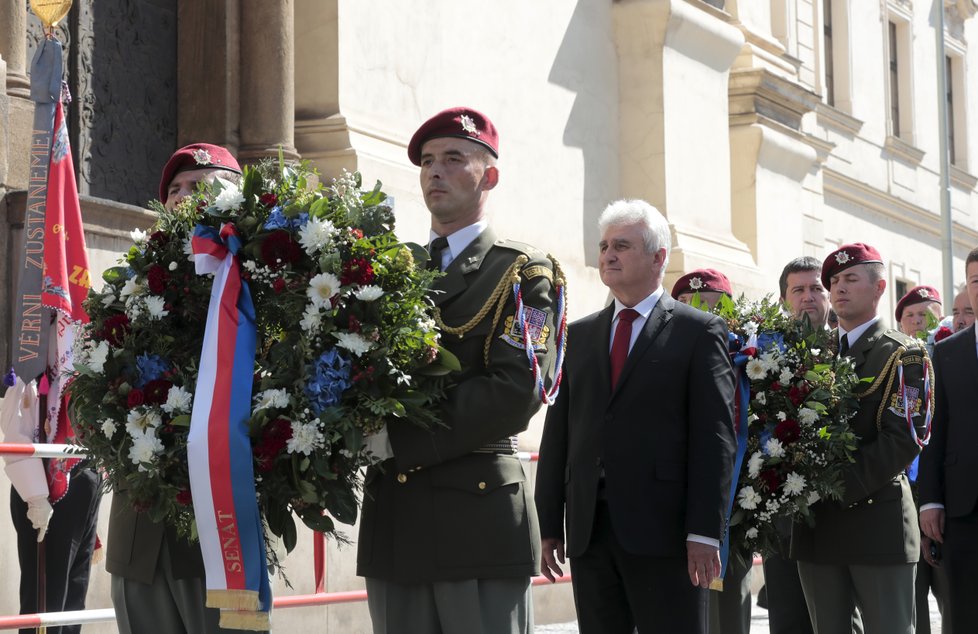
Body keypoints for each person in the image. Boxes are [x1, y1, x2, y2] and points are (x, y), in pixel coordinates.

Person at [356, 107, 559, 634]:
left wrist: (395, 437)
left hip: (477, 523)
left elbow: (519, 388)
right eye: (426, 161)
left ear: (488, 176)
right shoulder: (394, 269)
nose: (434, 172)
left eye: (452, 158)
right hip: (394, 520)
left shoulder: (526, 273)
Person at [535, 199, 736, 633]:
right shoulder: (580, 334)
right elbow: (560, 432)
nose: (608, 254)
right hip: (591, 531)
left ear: (658, 257)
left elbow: (715, 438)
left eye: (622, 245)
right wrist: (550, 521)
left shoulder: (698, 331)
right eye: (605, 244)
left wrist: (704, 532)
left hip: (665, 533)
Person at [105, 143, 254, 634]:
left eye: (200, 187)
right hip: (138, 532)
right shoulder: (126, 287)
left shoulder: (254, 285)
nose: (183, 198)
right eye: (174, 189)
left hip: (218, 533)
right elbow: (91, 383)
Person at [791, 243, 930, 634]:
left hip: (877, 525)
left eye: (851, 279)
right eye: (833, 281)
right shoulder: (816, 353)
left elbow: (904, 439)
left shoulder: (905, 354)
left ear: (879, 287)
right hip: (819, 529)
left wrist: (830, 487)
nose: (839, 289)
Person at [3, 384, 100, 634]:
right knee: (46, 604)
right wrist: (35, 495)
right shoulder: (38, 346)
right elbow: (19, 410)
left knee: (72, 601)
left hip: (84, 470)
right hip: (47, 481)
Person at [918, 247, 978, 633]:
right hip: (963, 507)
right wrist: (930, 501)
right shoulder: (946, 352)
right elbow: (934, 430)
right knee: (964, 614)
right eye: (976, 282)